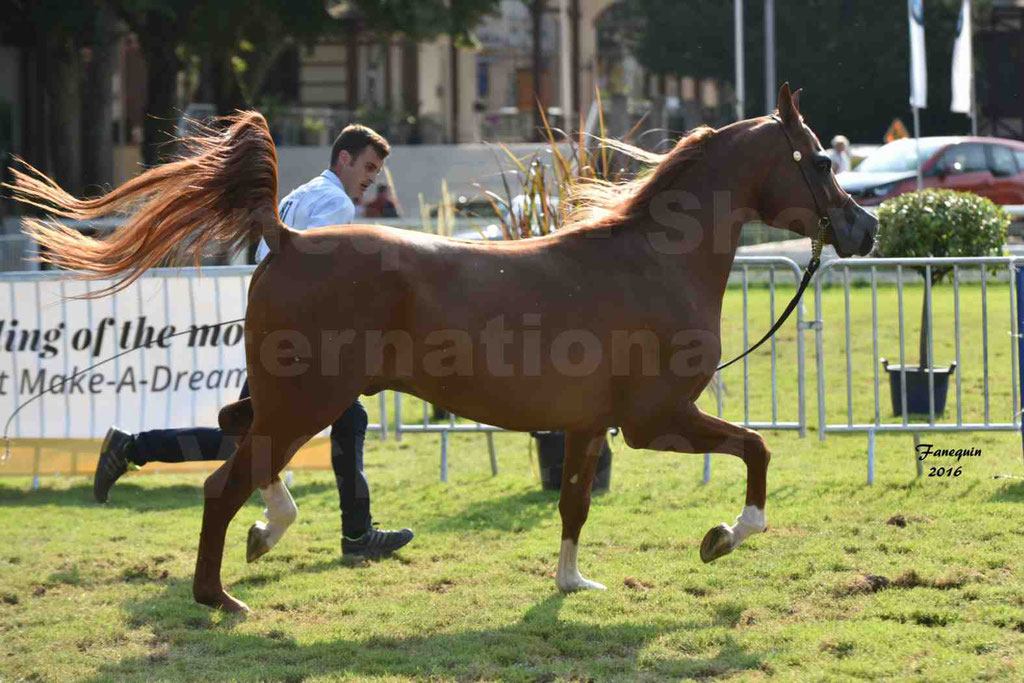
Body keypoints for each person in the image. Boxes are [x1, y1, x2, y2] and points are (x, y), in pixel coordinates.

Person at [94, 124, 415, 560]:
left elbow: (279, 261)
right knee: (258, 440)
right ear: (344, 159)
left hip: (279, 332)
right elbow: (316, 276)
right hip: (295, 342)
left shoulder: (302, 194)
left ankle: (355, 534)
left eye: (375, 172)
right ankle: (356, 536)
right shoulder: (336, 202)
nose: (371, 179)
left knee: (272, 435)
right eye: (368, 167)